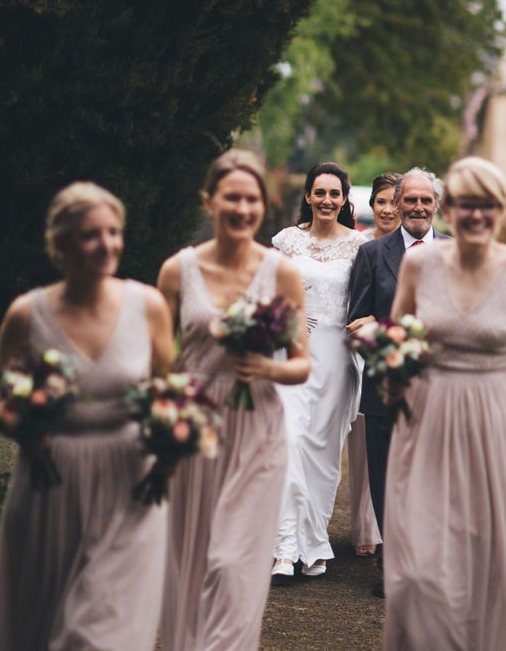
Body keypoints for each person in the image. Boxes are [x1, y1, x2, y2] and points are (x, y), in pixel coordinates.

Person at [383, 156, 506, 650]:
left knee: (486, 566)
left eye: (486, 205)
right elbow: (395, 336)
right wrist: (393, 375)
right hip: (424, 420)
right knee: (416, 573)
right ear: (450, 209)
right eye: (465, 204)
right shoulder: (419, 264)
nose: (475, 215)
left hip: (491, 424)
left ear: (501, 209)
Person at [0, 182, 175, 651]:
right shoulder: (26, 315)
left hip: (128, 481)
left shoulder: (147, 306)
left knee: (98, 633)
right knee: (44, 625)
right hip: (50, 479)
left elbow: (170, 393)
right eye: (92, 234)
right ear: (62, 243)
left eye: (114, 232)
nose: (107, 244)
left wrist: (170, 444)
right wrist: (23, 426)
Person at [157, 150, 310, 650]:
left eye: (252, 200)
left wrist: (266, 367)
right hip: (194, 428)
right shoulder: (177, 271)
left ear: (264, 206)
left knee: (233, 562)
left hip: (256, 429)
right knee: (192, 561)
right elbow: (159, 363)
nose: (242, 209)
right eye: (232, 198)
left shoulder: (281, 273)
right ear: (210, 201)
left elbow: (302, 362)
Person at [346, 167, 448, 597]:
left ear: (436, 205)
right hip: (384, 385)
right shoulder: (373, 254)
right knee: (387, 478)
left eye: (426, 200)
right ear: (399, 202)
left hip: (441, 389)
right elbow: (355, 321)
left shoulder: (455, 253)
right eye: (411, 200)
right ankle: (394, 567)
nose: (418, 207)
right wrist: (382, 339)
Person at [271, 161, 367, 579]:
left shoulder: (360, 247)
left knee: (323, 454)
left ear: (344, 200)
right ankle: (284, 548)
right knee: (289, 440)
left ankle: (313, 542)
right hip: (290, 351)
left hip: (336, 354)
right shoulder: (287, 242)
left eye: (334, 194)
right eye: (320, 192)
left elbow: (367, 301)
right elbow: (268, 293)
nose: (327, 200)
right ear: (308, 196)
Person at [349, 172, 401, 557]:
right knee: (368, 450)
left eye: (392, 202)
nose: (387, 209)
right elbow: (355, 309)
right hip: (366, 361)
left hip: (411, 366)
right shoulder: (363, 250)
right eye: (380, 202)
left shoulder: (428, 250)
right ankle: (368, 527)